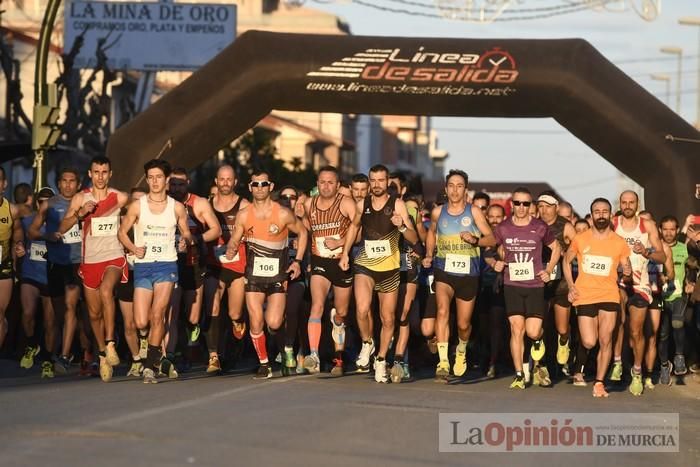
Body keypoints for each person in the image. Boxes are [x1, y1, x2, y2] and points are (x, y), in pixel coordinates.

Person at [225, 170, 308, 379]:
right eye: (255, 184)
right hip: (253, 274)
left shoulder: (282, 213)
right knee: (255, 320)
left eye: (264, 184)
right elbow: (235, 238)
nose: (259, 188)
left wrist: (297, 261)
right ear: (250, 187)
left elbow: (303, 232)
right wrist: (231, 248)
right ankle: (264, 364)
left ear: (271, 187)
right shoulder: (244, 214)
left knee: (274, 322)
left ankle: (284, 348)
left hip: (277, 275)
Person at [340, 164, 418, 383]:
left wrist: (401, 226)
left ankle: (382, 359)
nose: (376, 185)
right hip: (365, 264)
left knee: (388, 318)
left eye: (380, 181)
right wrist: (345, 252)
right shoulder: (361, 204)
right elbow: (354, 228)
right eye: (372, 180)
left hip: (390, 268)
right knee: (363, 309)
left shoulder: (398, 205)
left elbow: (413, 238)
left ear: (387, 183)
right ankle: (367, 343)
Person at [118, 159, 193, 383]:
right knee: (141, 321)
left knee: (158, 314)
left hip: (167, 265)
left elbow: (187, 234)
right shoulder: (137, 206)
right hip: (143, 265)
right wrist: (133, 248)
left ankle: (150, 365)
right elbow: (122, 232)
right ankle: (147, 341)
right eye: (150, 177)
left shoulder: (177, 207)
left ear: (167, 179)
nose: (154, 181)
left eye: (158, 177)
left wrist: (184, 242)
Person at [60, 156, 129, 382]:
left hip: (114, 256)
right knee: (93, 314)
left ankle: (110, 343)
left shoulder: (119, 197)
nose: (100, 176)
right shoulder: (81, 197)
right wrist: (80, 213)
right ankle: (101, 354)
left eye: (104, 172)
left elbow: (140, 208)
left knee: (107, 290)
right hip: (90, 260)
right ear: (90, 174)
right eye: (96, 172)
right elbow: (62, 227)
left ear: (110, 174)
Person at [423, 170, 495, 381]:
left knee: (464, 324)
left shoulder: (474, 212)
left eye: (459, 186)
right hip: (443, 269)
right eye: (451, 185)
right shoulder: (438, 212)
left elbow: (491, 239)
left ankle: (461, 349)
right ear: (446, 189)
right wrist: (429, 253)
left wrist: (475, 240)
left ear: (466, 189)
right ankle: (443, 361)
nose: (455, 190)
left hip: (468, 273)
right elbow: (431, 233)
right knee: (443, 311)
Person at [563, 197, 632, 398]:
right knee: (590, 341)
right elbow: (566, 262)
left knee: (606, 339)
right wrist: (571, 285)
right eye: (597, 211)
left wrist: (627, 271)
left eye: (604, 212)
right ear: (592, 215)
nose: (601, 215)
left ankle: (600, 382)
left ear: (610, 215)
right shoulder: (581, 238)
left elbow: (626, 271)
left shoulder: (619, 242)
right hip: (584, 295)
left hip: (609, 294)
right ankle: (582, 362)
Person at [493, 187, 561, 389]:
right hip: (512, 284)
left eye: (525, 204)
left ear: (530, 206)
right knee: (516, 329)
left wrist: (548, 269)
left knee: (532, 332)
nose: (521, 207)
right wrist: (495, 264)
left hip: (534, 285)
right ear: (512, 205)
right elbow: (491, 249)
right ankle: (519, 374)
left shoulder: (539, 226)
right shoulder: (503, 227)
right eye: (517, 203)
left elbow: (556, 247)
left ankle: (538, 341)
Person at [29, 168, 84, 374]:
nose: (68, 185)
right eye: (64, 181)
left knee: (71, 307)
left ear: (78, 184)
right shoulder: (48, 205)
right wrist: (48, 236)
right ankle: (73, 347)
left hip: (77, 263)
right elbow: (32, 231)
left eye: (72, 181)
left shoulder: (84, 202)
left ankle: (64, 355)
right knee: (61, 312)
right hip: (55, 264)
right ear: (58, 183)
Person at [302, 166, 356, 376]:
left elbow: (358, 231)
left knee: (341, 313)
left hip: (341, 263)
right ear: (317, 184)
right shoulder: (309, 204)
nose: (326, 186)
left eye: (330, 182)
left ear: (338, 185)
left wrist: (341, 244)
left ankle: (339, 356)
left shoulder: (346, 203)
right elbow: (307, 229)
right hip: (320, 262)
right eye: (322, 182)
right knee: (317, 305)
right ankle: (313, 355)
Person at [611, 191, 665, 396]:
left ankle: (636, 370)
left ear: (637, 204)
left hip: (640, 284)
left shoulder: (647, 226)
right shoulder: (612, 224)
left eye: (631, 202)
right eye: (624, 202)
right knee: (617, 317)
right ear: (620, 204)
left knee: (636, 331)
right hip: (617, 282)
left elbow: (661, 257)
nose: (627, 205)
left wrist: (646, 251)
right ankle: (616, 362)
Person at [166, 168, 220, 370]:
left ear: (187, 183)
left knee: (193, 316)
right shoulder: (162, 203)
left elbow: (215, 230)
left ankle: (192, 340)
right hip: (169, 263)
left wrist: (195, 239)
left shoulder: (199, 203)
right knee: (171, 310)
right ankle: (172, 353)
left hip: (193, 263)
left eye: (180, 184)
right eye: (173, 184)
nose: (176, 188)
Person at [203, 165, 248, 373]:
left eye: (229, 179)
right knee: (212, 306)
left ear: (235, 182)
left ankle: (239, 323)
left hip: (238, 267)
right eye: (222, 179)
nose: (225, 183)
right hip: (215, 265)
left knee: (234, 313)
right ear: (216, 181)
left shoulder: (244, 205)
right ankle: (213, 356)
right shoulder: (207, 205)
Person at [536, 192, 577, 375]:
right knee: (538, 326)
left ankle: (563, 341)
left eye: (548, 206)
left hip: (560, 283)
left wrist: (564, 253)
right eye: (541, 206)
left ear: (556, 208)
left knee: (561, 326)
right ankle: (540, 362)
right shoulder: (534, 225)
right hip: (539, 282)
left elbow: (578, 251)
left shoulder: (565, 226)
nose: (544, 210)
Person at [18, 186, 54, 377]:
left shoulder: (59, 223)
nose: (45, 206)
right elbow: (17, 239)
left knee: (50, 322)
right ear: (37, 203)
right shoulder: (27, 221)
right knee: (28, 313)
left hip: (50, 277)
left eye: (49, 202)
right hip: (30, 273)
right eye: (42, 202)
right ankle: (32, 344)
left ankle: (47, 360)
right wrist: (19, 247)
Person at [0, 167, 25, 351]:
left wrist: (19, 245)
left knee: (0, 314)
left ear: (4, 184)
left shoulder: (11, 209)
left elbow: (17, 233)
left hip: (4, 265)